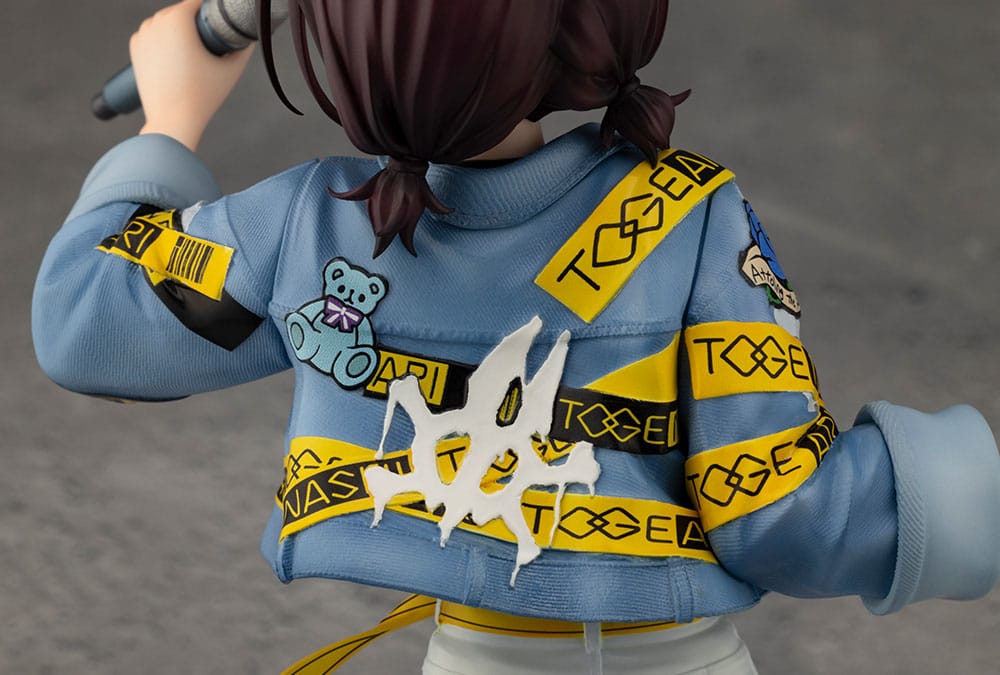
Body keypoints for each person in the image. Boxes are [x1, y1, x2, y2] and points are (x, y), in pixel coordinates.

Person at [31, 1, 1000, 673]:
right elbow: (780, 512)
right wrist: (964, 490)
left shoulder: (309, 225)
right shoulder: (682, 214)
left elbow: (83, 319)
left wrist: (172, 120)